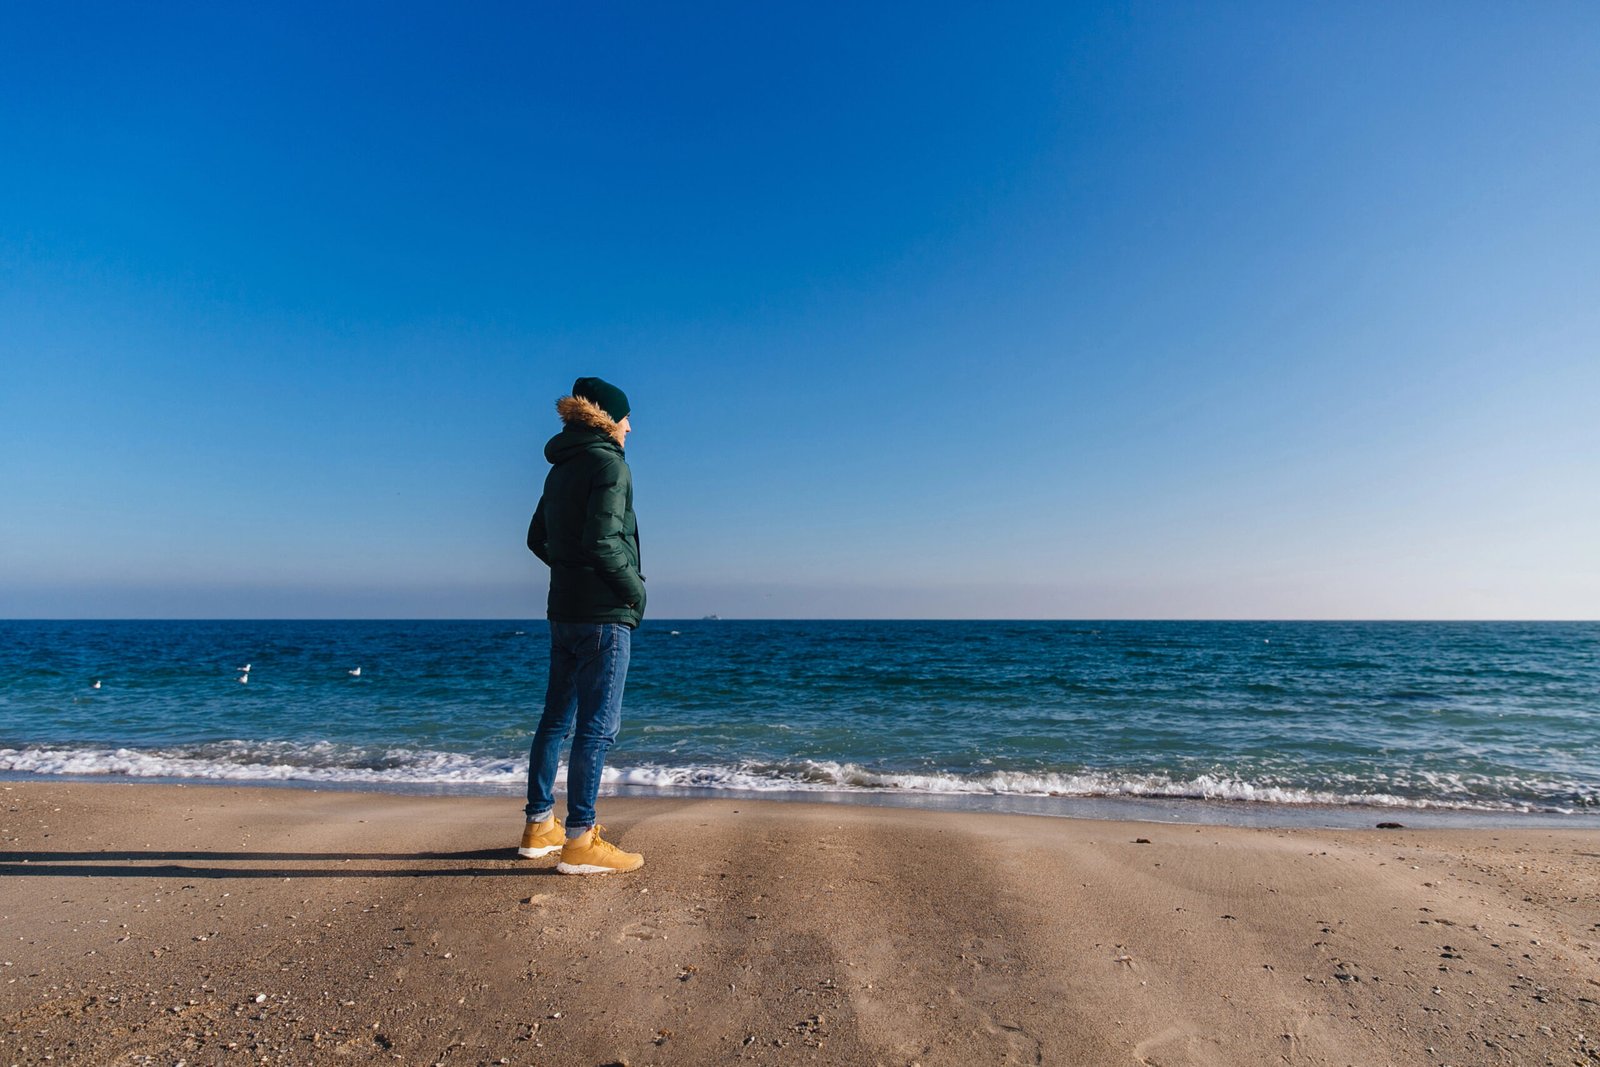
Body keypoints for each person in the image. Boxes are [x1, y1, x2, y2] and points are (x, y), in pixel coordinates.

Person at [519, 376, 646, 875]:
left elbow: (536, 538)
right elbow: (602, 541)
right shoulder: (610, 463)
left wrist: (569, 572)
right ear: (607, 418)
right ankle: (579, 839)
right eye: (626, 417)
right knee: (597, 728)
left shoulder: (561, 468)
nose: (631, 427)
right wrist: (634, 591)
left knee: (556, 720)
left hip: (563, 610)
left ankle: (538, 826)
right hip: (602, 613)